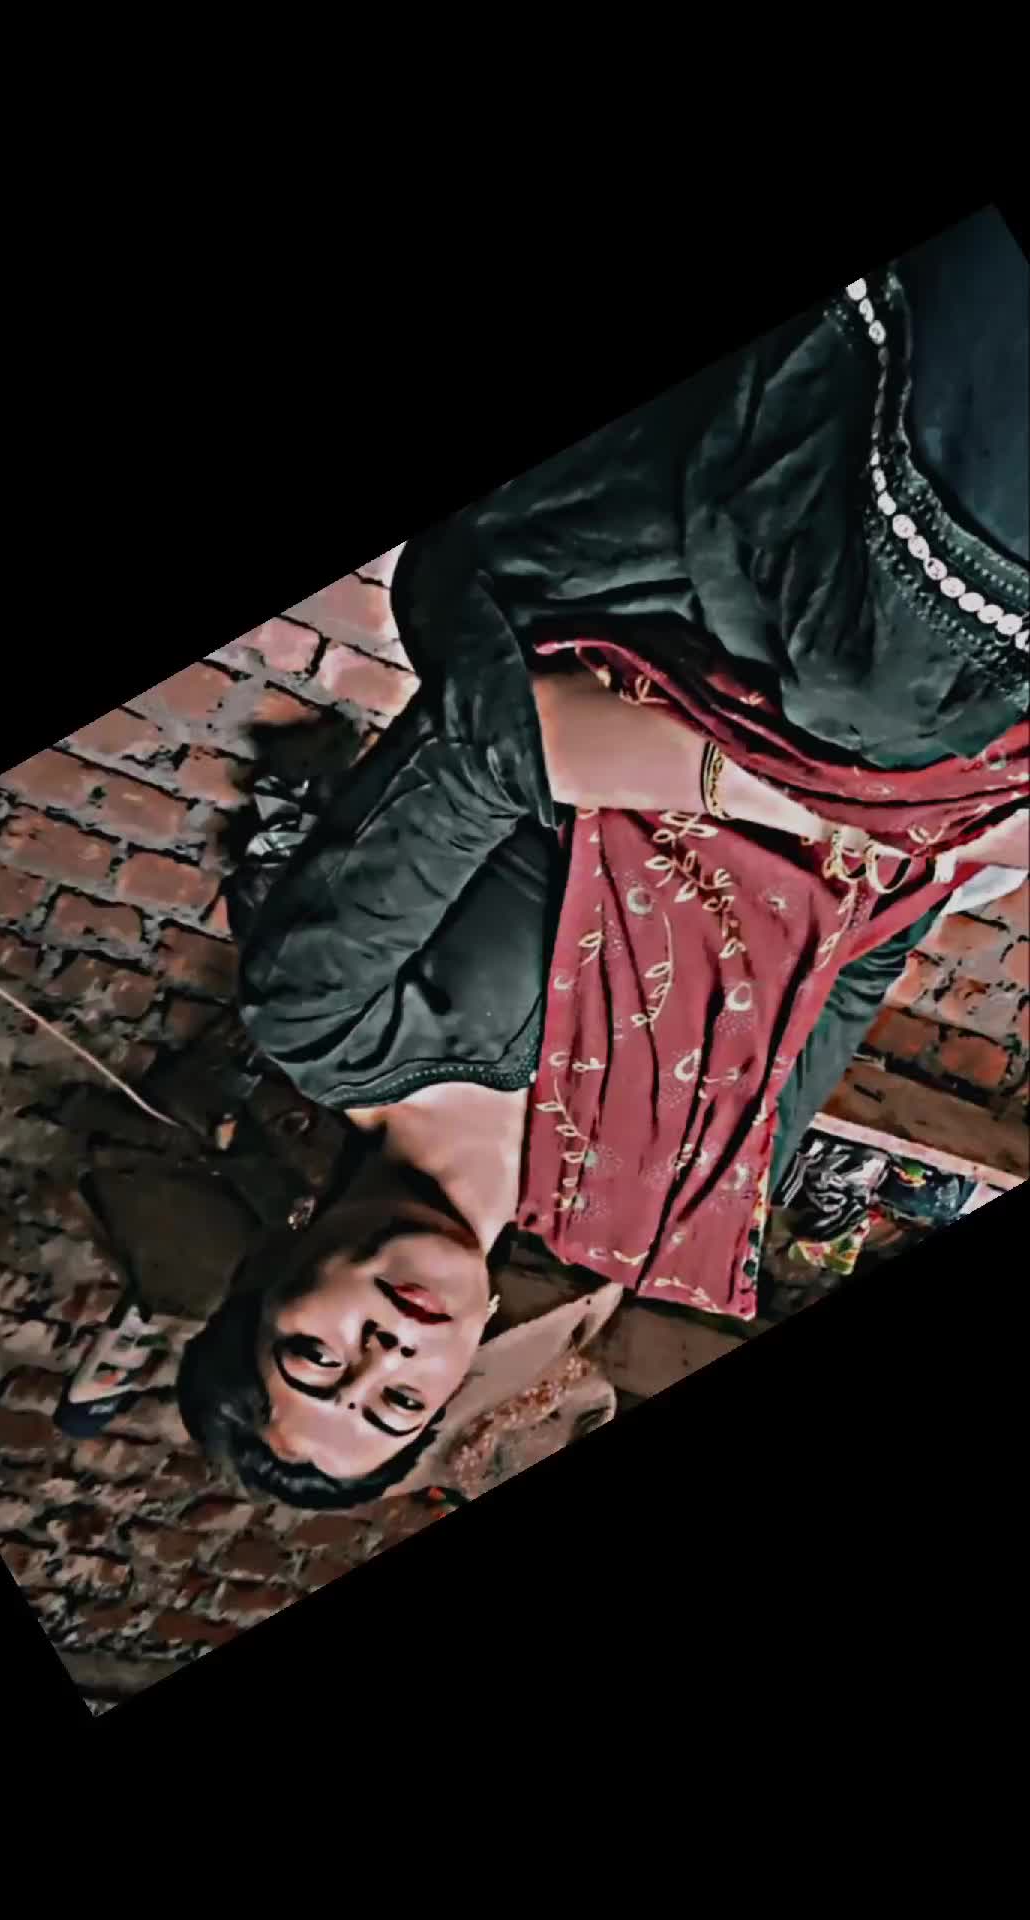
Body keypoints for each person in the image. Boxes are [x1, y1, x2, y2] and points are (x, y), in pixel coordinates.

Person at [171, 204, 1028, 1511]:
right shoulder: (670, 1201)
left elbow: (495, 742)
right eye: (397, 1401)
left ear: (271, 1270)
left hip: (632, 600)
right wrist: (946, 846)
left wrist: (803, 801)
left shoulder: (327, 1023)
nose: (385, 1354)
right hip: (861, 746)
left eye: (317, 1357)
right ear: (453, 1384)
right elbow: (848, 962)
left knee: (887, 681)